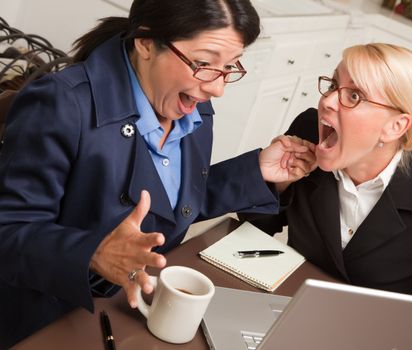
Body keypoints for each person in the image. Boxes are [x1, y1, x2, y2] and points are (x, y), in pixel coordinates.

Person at [0, 0, 315, 347]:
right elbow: (10, 232)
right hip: (50, 319)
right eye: (204, 63)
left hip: (135, 304)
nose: (217, 88)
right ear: (146, 43)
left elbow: (168, 204)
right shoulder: (61, 104)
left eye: (229, 67)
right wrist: (92, 252)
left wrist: (256, 171)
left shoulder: (190, 101)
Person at [242, 43, 412, 309]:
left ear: (395, 126)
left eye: (354, 96)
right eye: (332, 86)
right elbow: (255, 228)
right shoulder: (308, 130)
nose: (327, 101)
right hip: (292, 306)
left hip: (388, 334)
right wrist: (275, 185)